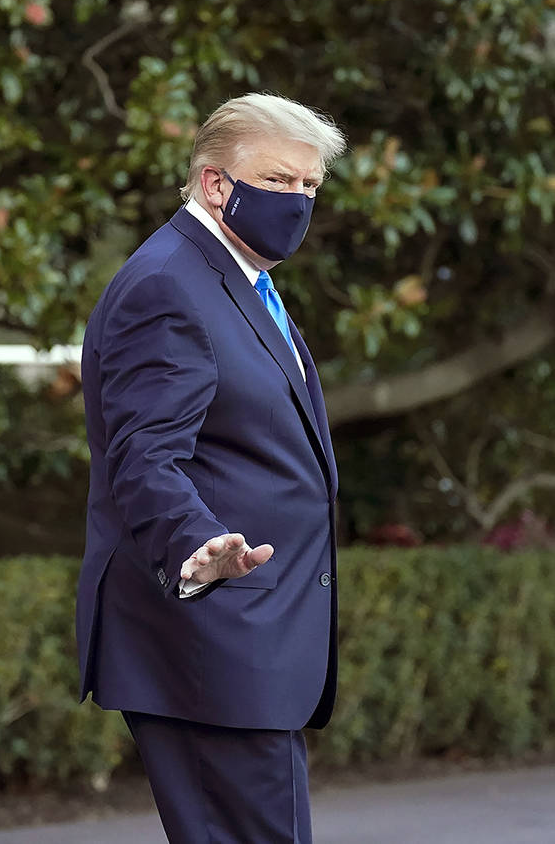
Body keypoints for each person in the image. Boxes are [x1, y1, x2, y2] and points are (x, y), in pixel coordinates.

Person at [76, 93, 347, 843]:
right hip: (207, 641)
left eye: (309, 187)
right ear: (214, 184)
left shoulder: (239, 277)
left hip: (246, 647)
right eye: (280, 180)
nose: (296, 200)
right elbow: (143, 453)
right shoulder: (168, 284)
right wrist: (194, 542)